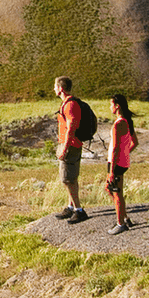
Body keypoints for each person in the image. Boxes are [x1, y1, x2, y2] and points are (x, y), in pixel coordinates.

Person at [53, 76, 88, 223]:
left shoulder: (70, 105)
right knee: (71, 178)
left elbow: (71, 129)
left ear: (61, 88)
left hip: (71, 145)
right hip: (72, 144)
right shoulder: (67, 104)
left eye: (55, 86)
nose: (53, 89)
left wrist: (64, 149)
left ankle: (79, 210)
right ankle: (71, 207)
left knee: (67, 179)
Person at [104, 94, 139, 234]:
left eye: (111, 104)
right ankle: (124, 216)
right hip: (122, 162)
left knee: (116, 193)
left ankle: (120, 224)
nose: (110, 107)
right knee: (109, 188)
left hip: (115, 163)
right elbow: (134, 143)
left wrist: (112, 171)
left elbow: (116, 148)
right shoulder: (127, 121)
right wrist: (126, 153)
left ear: (117, 106)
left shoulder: (118, 124)